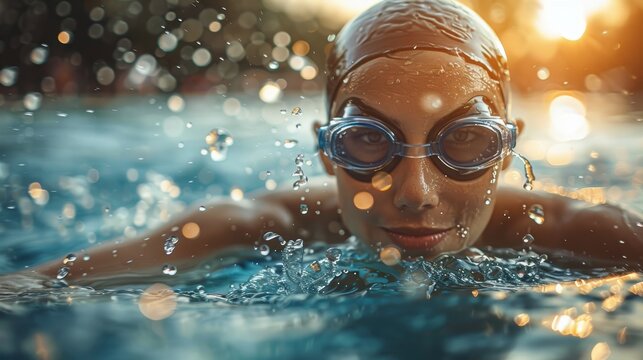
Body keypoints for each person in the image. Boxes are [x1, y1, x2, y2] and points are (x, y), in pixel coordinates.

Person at [23, 0, 643, 287]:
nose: (414, 193)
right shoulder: (246, 227)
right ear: (326, 150)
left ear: (506, 150)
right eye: (369, 144)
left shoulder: (587, 234)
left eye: (467, 141)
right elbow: (30, 289)